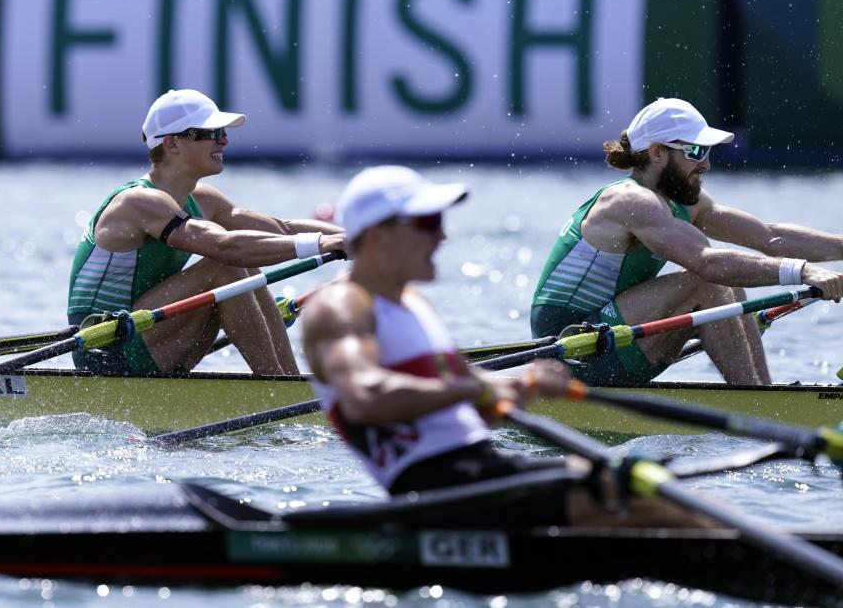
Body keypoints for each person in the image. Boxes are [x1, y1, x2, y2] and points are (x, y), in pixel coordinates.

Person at [301, 165, 710, 527]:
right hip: (435, 492)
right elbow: (364, 397)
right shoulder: (340, 308)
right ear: (379, 237)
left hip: (479, 470)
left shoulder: (412, 305)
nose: (442, 235)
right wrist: (474, 389)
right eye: (427, 224)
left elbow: (459, 398)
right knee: (644, 498)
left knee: (669, 494)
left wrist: (516, 388)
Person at [531, 97, 843, 386]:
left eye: (707, 151)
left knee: (731, 287)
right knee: (706, 283)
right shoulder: (630, 201)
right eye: (695, 151)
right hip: (570, 348)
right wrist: (804, 271)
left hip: (615, 336)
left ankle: (764, 395)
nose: (705, 164)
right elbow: (707, 263)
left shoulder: (682, 202)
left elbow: (769, 236)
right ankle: (759, 405)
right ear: (656, 153)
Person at [67, 89, 346, 376]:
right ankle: (279, 389)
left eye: (221, 131)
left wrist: (360, 239)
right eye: (210, 133)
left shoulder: (202, 199)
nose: (224, 140)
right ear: (173, 143)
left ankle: (288, 381)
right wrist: (325, 243)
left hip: (149, 337)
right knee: (226, 266)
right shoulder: (138, 201)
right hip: (106, 351)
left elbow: (281, 229)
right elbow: (224, 247)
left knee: (246, 264)